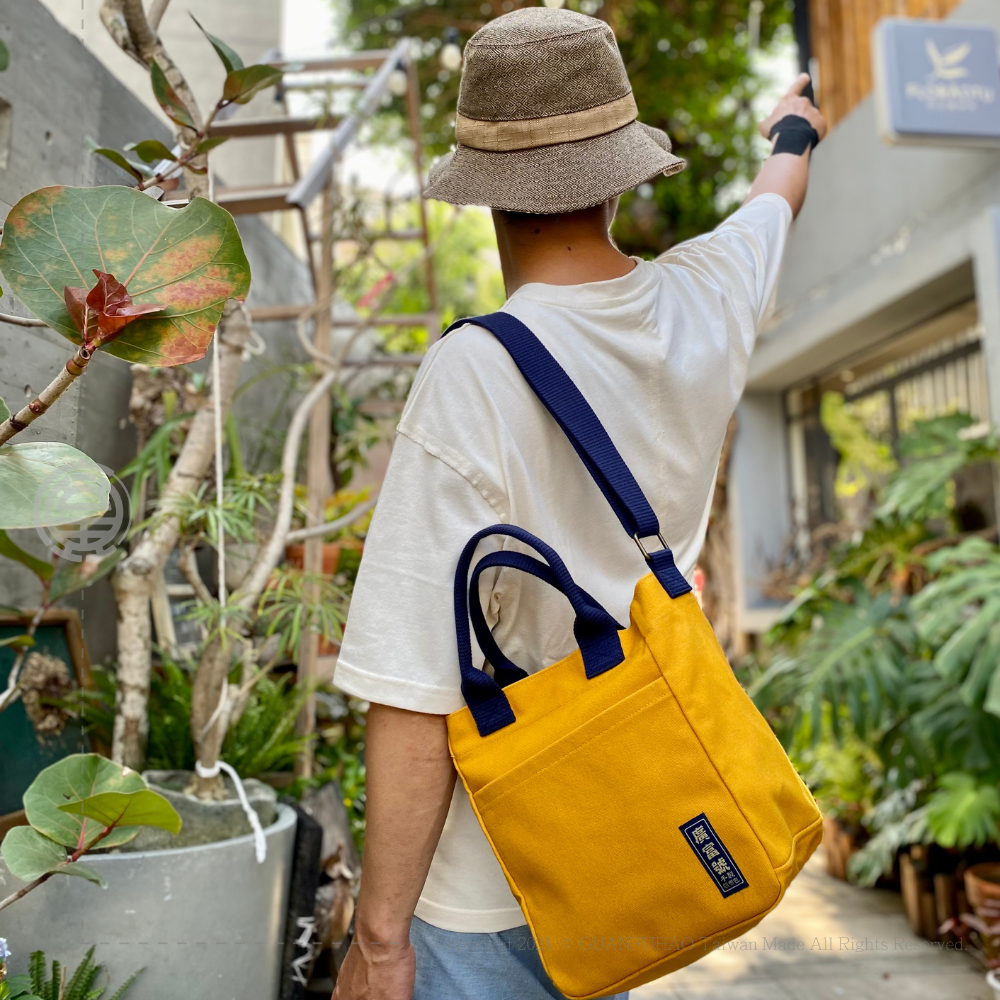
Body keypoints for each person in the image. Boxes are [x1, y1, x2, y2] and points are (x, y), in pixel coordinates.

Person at [330, 8, 827, 1000]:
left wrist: (379, 942)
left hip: (489, 898)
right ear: (618, 175)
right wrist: (793, 128)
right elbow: (776, 199)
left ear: (485, 189)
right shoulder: (707, 299)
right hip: (623, 854)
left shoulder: (473, 373)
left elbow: (413, 691)